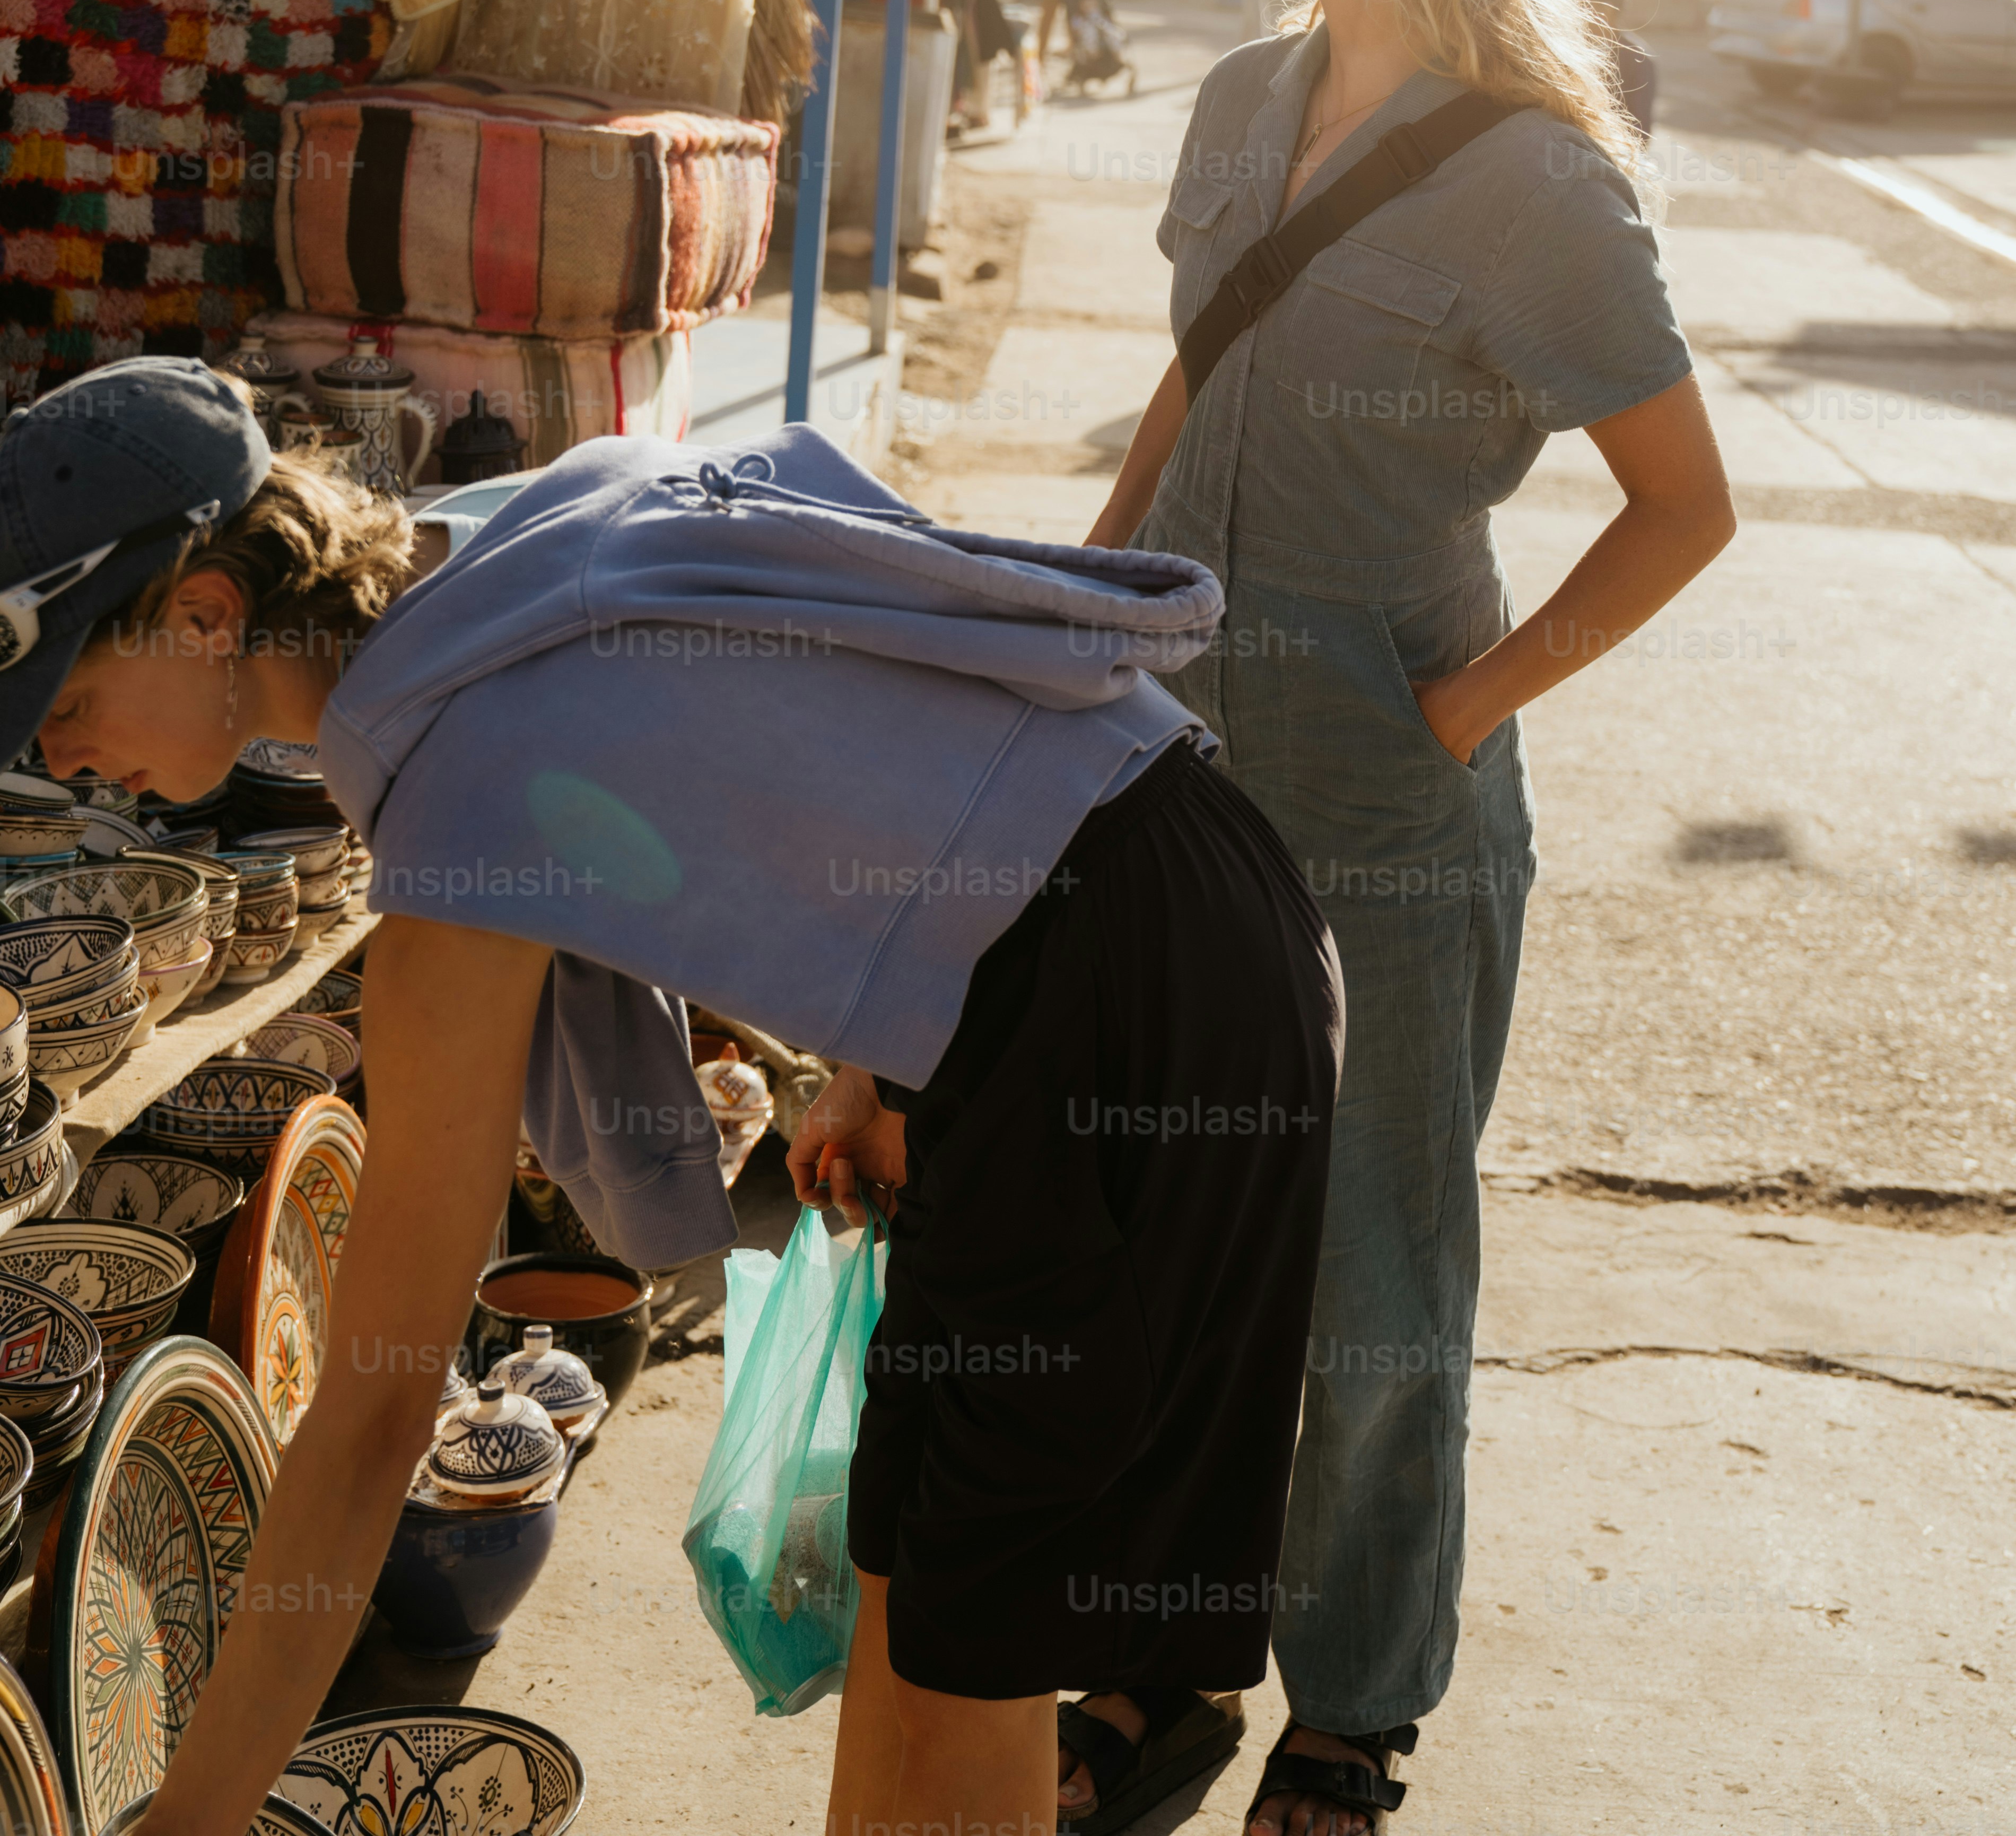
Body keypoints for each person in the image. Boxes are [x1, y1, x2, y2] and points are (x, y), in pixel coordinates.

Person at [5, 366, 1341, 1836]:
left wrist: (193, 1815)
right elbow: (892, 665)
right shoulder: (514, 545)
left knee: (974, 1694)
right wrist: (873, 1054)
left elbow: (380, 1405)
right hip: (1146, 915)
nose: (55, 755)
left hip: (1125, 1019)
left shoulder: (457, 804)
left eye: (64, 696)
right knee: (918, 1619)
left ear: (205, 613)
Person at [1076, 0, 1735, 1835]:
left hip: (1387, 809)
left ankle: (1351, 1714)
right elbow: (1194, 367)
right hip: (1176, 774)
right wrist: (1079, 619)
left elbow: (1679, 505)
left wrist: (1465, 707)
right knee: (1176, 1248)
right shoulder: (1238, 99)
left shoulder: (1537, 184)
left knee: (1370, 1290)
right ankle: (1162, 1652)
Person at [1584, 0, 1657, 142]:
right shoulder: (1571, 47)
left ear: (1606, 11)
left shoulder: (1637, 58)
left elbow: (1639, 128)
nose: (1579, 12)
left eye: (1585, 5)